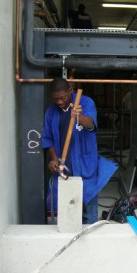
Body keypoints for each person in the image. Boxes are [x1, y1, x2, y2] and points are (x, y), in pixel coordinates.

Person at [42, 78, 118, 223]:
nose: (59, 102)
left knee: (89, 205)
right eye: (55, 99)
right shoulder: (51, 111)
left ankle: (90, 235)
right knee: (64, 205)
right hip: (64, 164)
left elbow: (91, 125)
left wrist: (78, 116)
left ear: (70, 90)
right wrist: (53, 159)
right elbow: (48, 138)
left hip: (84, 162)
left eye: (62, 98)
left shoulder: (86, 102)